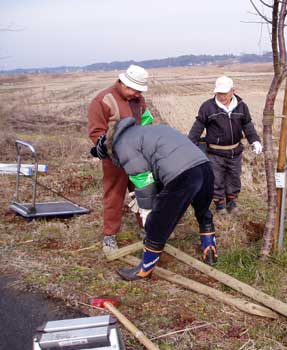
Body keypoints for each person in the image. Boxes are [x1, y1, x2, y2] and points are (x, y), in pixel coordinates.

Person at [91, 117, 217, 281]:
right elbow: (161, 162)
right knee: (203, 211)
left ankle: (144, 269)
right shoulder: (143, 132)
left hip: (182, 175)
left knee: (158, 222)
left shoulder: (122, 145)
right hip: (204, 165)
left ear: (109, 149)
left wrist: (146, 210)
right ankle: (210, 251)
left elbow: (144, 182)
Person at [88, 65, 155, 254]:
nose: (137, 94)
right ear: (123, 83)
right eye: (134, 89)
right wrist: (110, 150)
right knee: (114, 196)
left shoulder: (138, 98)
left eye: (139, 91)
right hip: (115, 160)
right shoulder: (102, 100)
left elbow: (144, 121)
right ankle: (109, 236)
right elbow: (96, 132)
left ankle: (147, 229)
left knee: (145, 192)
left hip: (138, 158)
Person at [188, 76, 262, 215]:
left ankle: (232, 204)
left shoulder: (241, 106)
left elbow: (247, 125)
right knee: (217, 180)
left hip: (235, 151)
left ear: (233, 91)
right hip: (215, 153)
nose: (221, 96)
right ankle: (220, 206)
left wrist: (255, 140)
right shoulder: (208, 107)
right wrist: (189, 145)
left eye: (224, 93)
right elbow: (198, 127)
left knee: (234, 178)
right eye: (219, 93)